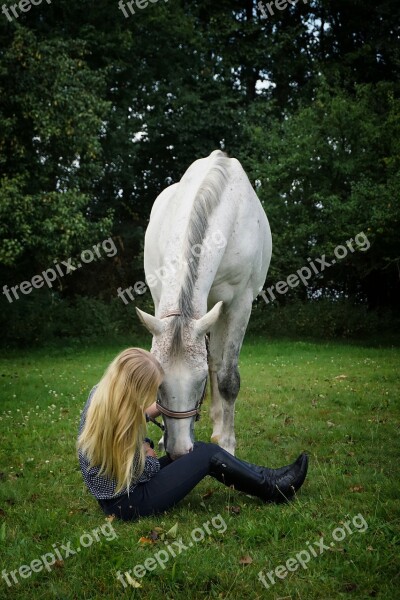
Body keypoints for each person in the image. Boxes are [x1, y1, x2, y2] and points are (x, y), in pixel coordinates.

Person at [77, 348, 308, 521]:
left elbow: (133, 417)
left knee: (198, 451)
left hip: (116, 495)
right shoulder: (120, 420)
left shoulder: (101, 397)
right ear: (136, 387)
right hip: (129, 503)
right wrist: (147, 456)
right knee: (205, 455)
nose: (152, 395)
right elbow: (142, 471)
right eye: (151, 389)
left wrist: (166, 408)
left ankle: (269, 477)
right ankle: (273, 489)